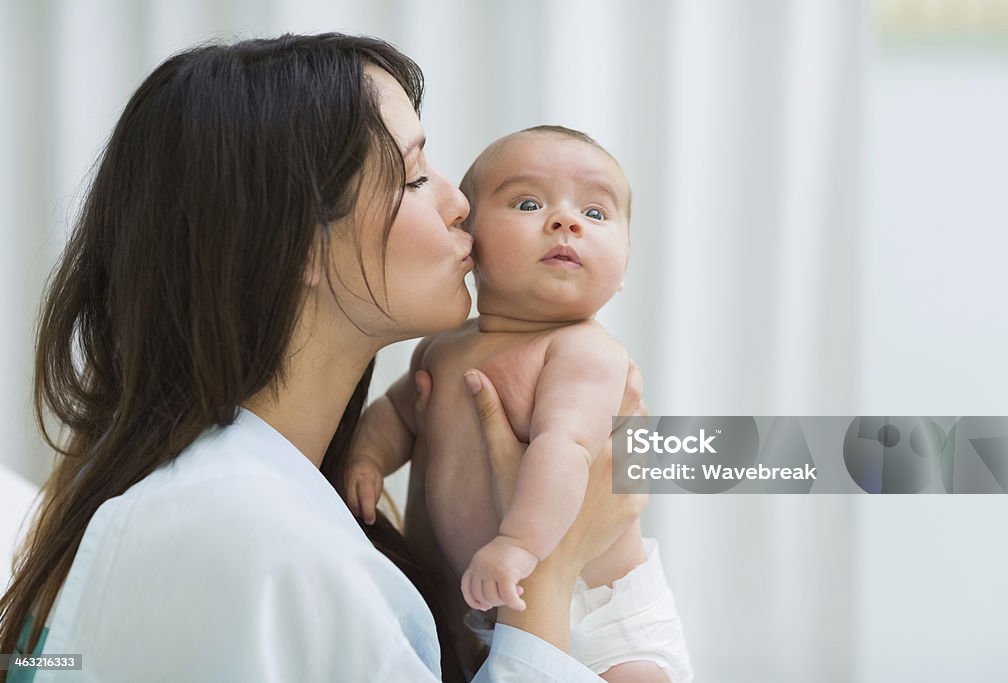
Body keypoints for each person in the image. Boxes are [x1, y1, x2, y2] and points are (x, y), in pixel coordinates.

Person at [0, 34, 648, 682]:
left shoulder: (277, 503)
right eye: (417, 176)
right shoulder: (239, 529)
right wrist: (552, 567)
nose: (461, 206)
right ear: (295, 243)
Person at [342, 127, 692, 682]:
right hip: (484, 599)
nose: (565, 221)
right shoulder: (444, 345)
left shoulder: (583, 352)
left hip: (596, 612)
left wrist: (519, 544)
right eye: (528, 203)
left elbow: (567, 449)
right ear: (469, 242)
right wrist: (365, 458)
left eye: (596, 214)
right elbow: (400, 412)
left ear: (624, 270)